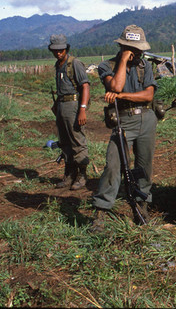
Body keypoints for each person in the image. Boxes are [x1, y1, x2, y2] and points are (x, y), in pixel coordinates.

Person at [91, 25, 158, 232]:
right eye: (132, 49)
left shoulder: (145, 67)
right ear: (123, 46)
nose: (136, 53)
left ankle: (141, 204)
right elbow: (116, 85)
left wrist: (120, 97)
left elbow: (148, 96)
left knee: (144, 165)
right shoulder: (106, 66)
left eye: (138, 49)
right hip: (122, 121)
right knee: (113, 164)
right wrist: (122, 60)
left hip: (146, 119)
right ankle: (101, 211)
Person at [48, 34, 90, 191]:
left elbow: (85, 86)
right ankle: (70, 174)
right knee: (64, 141)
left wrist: (82, 110)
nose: (58, 53)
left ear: (66, 49)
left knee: (77, 140)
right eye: (55, 50)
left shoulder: (75, 64)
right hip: (61, 105)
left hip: (73, 105)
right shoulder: (58, 64)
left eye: (61, 50)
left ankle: (82, 175)